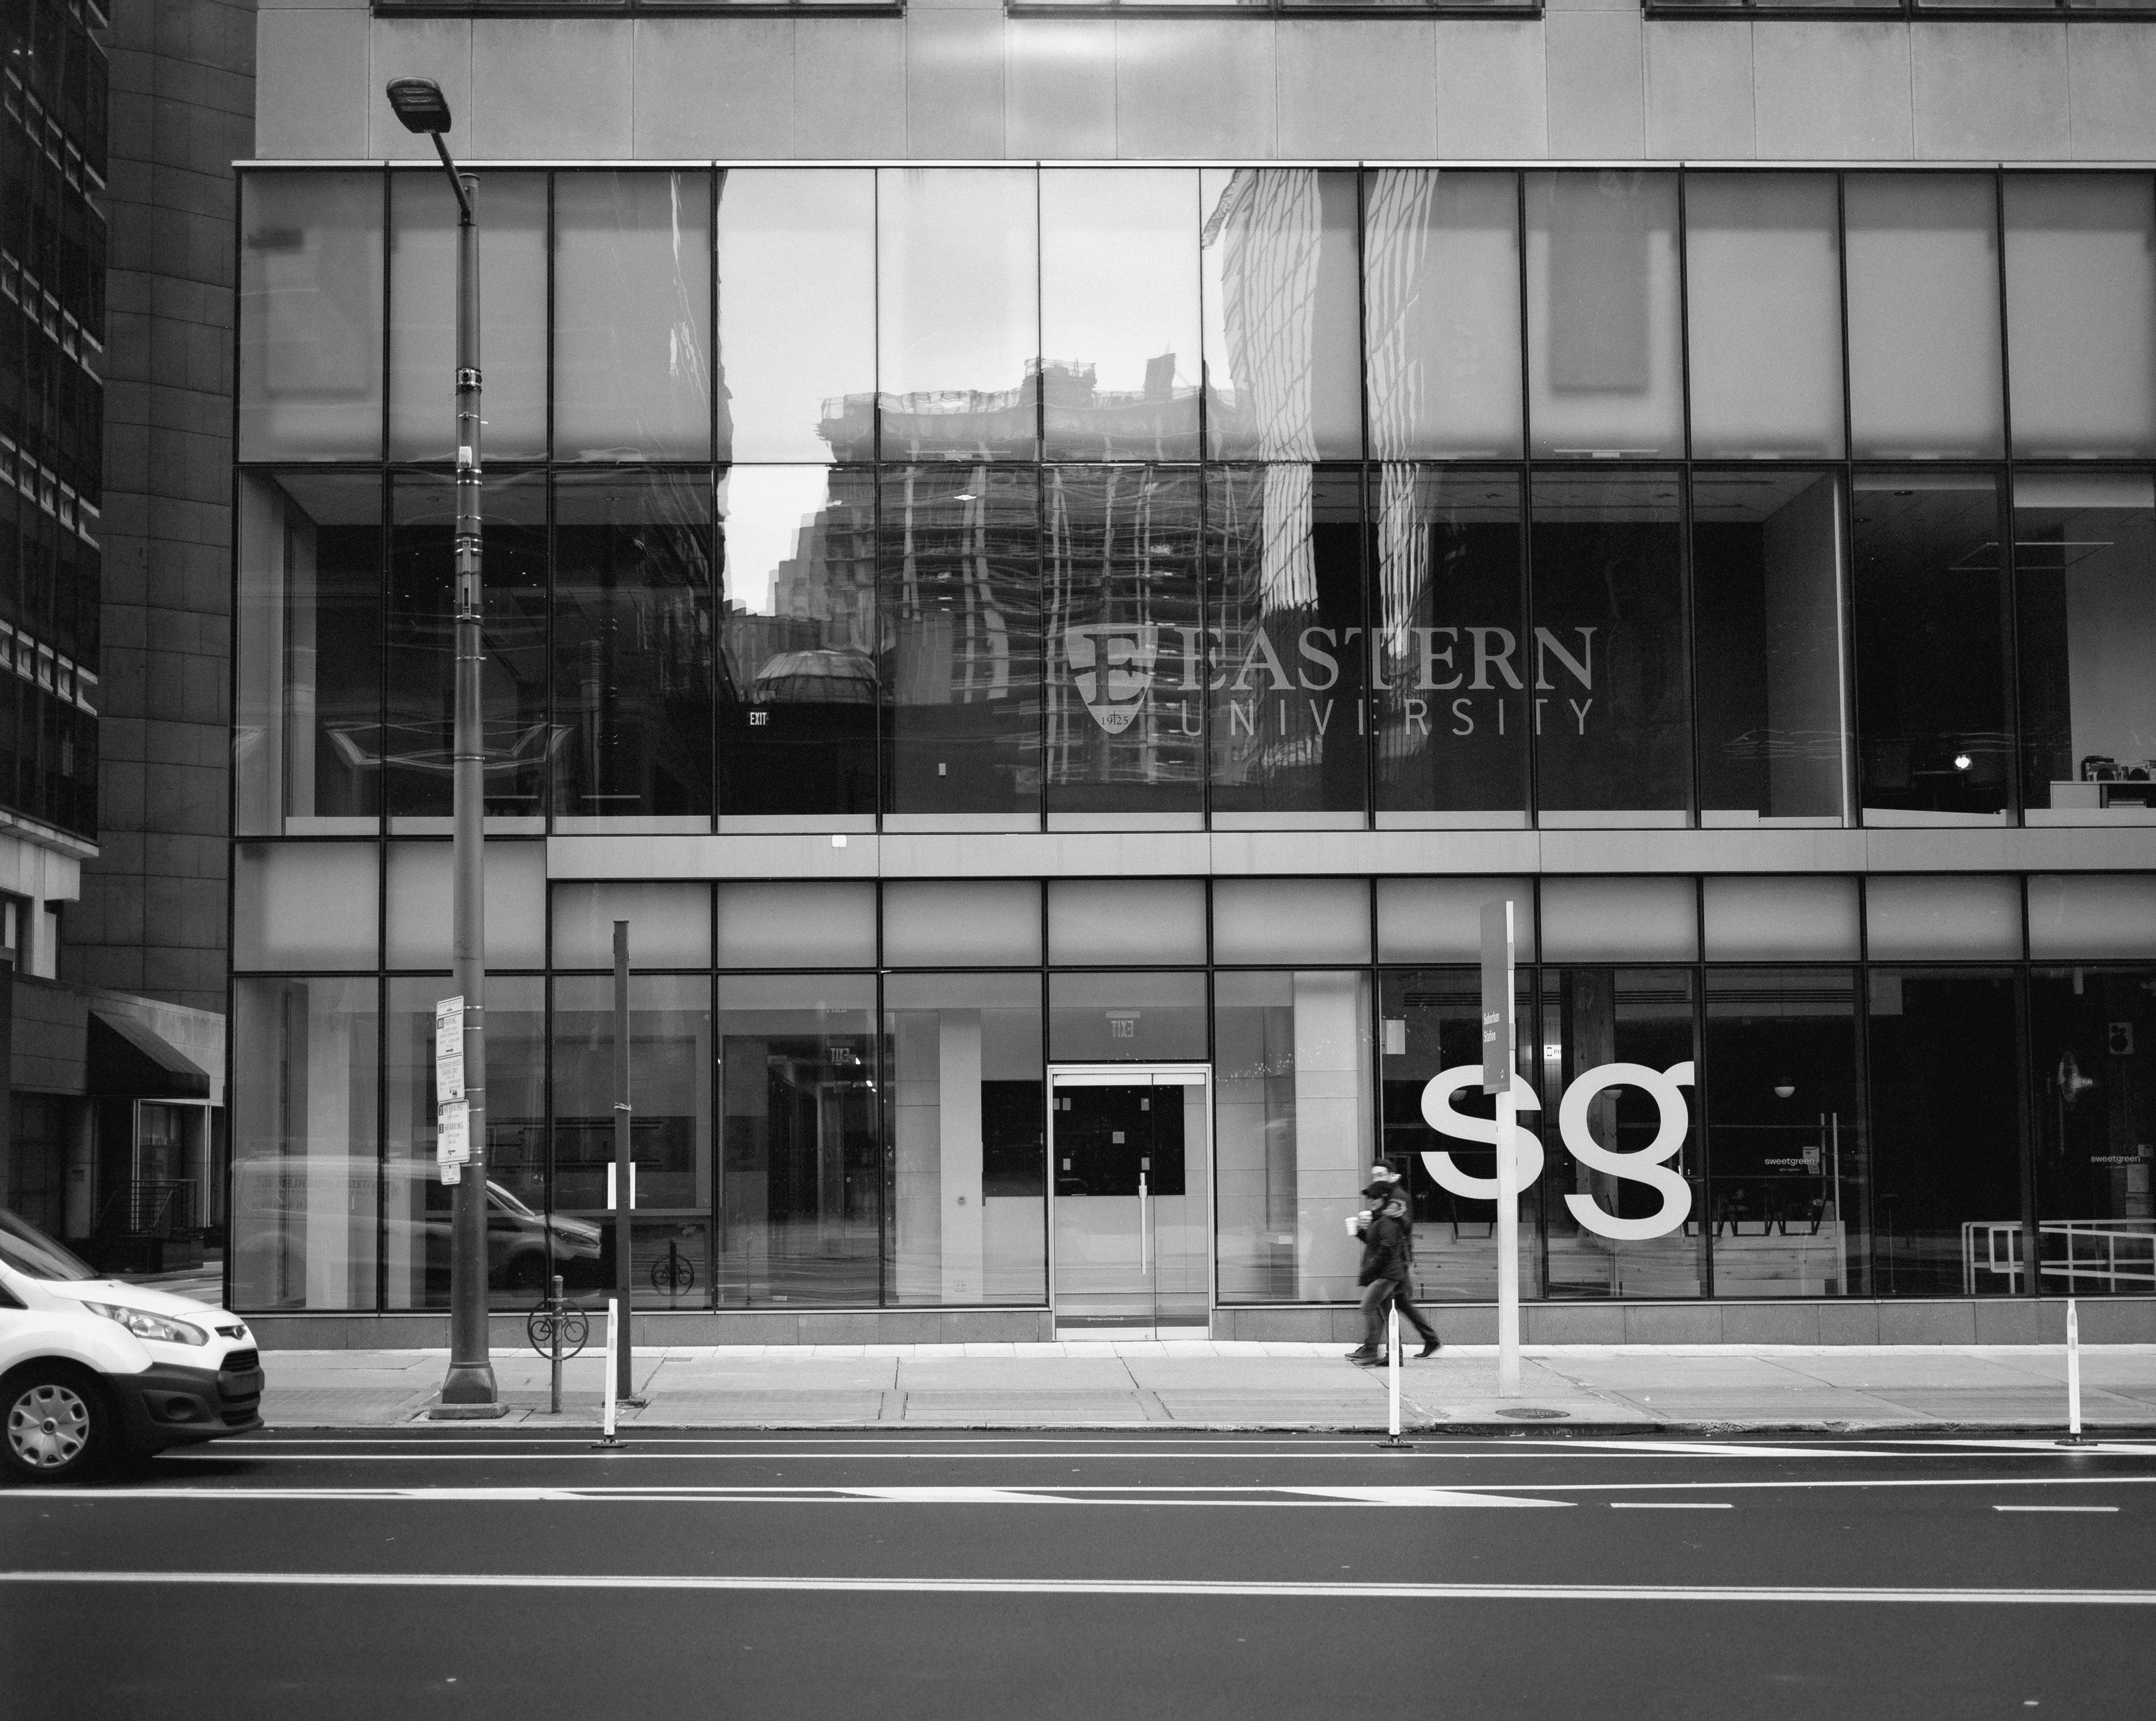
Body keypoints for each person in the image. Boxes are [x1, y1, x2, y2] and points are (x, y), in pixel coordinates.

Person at [1346, 1178, 1441, 1365]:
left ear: (1384, 1198)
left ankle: (1371, 1350)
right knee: (1389, 1315)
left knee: (1368, 1308)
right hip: (1388, 1273)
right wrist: (1359, 1232)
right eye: (1369, 1197)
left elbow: (1387, 1249)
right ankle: (1394, 1356)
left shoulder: (1387, 1220)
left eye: (1374, 1197)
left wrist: (1371, 1272)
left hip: (1387, 1275)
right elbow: (1378, 1244)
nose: (1370, 1201)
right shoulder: (1381, 1218)